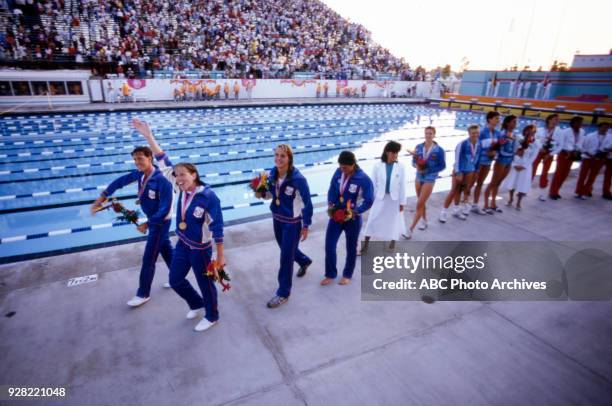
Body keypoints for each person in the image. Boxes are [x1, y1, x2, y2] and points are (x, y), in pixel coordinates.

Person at [134, 118, 226, 332]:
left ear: (194, 175)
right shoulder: (178, 187)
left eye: (183, 175)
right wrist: (148, 136)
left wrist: (219, 256)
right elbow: (162, 158)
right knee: (175, 280)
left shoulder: (208, 197)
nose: (179, 178)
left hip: (201, 249)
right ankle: (196, 303)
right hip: (183, 243)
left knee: (206, 283)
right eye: (177, 176)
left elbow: (218, 227)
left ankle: (212, 315)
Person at [90, 145, 173, 307]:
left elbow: (165, 208)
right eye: (135, 159)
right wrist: (101, 199)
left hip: (160, 222)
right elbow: (120, 182)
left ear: (150, 158)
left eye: (140, 158)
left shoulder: (162, 180)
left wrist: (147, 224)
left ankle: (143, 293)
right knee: (166, 249)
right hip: (153, 219)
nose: (137, 162)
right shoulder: (141, 175)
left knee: (149, 258)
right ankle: (178, 276)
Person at [257, 145, 313, 308]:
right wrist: (261, 192)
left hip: (292, 223)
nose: (278, 159)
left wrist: (306, 225)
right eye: (276, 155)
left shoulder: (298, 179)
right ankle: (304, 261)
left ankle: (283, 293)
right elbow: (270, 195)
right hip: (277, 219)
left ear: (289, 159)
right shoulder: (272, 174)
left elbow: (307, 203)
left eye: (282, 156)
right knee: (286, 250)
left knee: (285, 258)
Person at [322, 151, 374, 286]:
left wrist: (356, 212)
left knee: (351, 248)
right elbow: (332, 189)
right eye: (340, 166)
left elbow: (369, 200)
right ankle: (330, 273)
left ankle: (347, 274)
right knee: (329, 245)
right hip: (336, 215)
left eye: (345, 167)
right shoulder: (338, 172)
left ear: (353, 164)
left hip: (353, 219)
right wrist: (330, 203)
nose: (342, 170)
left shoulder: (363, 179)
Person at [361, 141, 406, 253]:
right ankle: (366, 245)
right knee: (372, 220)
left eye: (397, 153)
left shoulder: (400, 167)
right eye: (393, 152)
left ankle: (393, 242)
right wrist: (372, 199)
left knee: (394, 221)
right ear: (387, 152)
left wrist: (402, 202)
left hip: (394, 200)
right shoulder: (377, 166)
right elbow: (373, 183)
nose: (395, 155)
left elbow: (402, 186)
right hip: (380, 198)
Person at [404, 126, 446, 239]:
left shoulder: (439, 150)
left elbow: (442, 166)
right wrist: (417, 166)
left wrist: (428, 170)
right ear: (424, 134)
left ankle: (410, 230)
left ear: (434, 135)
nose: (428, 135)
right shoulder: (418, 147)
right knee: (420, 202)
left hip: (430, 178)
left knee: (420, 203)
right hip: (418, 177)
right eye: (426, 133)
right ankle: (424, 220)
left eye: (431, 133)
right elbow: (413, 161)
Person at [440, 125, 480, 222]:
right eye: (473, 133)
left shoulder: (479, 144)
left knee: (465, 190)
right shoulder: (462, 144)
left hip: (470, 170)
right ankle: (443, 212)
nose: (475, 134)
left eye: (477, 132)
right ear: (469, 133)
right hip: (460, 171)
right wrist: (458, 172)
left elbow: (477, 158)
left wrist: (476, 170)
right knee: (454, 191)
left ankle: (456, 210)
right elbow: (457, 159)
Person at [483, 115, 519, 214]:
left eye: (516, 122)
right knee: (493, 182)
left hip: (509, 160)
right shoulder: (502, 133)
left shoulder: (514, 134)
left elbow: (514, 149)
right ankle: (486, 205)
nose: (515, 124)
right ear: (507, 123)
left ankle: (493, 204)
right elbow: (500, 149)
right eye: (514, 122)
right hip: (501, 160)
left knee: (498, 183)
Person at [471, 111, 501, 215]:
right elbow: (476, 146)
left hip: (488, 162)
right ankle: (463, 204)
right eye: (496, 118)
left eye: (498, 118)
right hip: (479, 162)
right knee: (470, 184)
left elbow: (498, 146)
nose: (498, 120)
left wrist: (494, 153)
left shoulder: (497, 133)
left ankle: (475, 205)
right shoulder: (482, 132)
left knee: (480, 183)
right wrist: (487, 152)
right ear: (490, 119)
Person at [549, 116, 585, 200]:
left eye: (581, 122)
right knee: (559, 173)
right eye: (578, 122)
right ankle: (552, 192)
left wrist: (577, 150)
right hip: (564, 153)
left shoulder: (582, 132)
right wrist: (569, 151)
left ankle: (557, 191)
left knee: (565, 174)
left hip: (573, 154)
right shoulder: (565, 132)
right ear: (573, 123)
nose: (580, 124)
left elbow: (580, 142)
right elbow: (561, 143)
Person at [503, 125, 539, 210]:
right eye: (528, 130)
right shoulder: (518, 140)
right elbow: (513, 152)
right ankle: (510, 199)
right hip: (515, 165)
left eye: (531, 131)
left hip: (525, 167)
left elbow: (533, 157)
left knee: (522, 185)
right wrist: (514, 164)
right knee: (512, 183)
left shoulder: (535, 144)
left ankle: (519, 202)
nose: (529, 133)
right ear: (524, 131)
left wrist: (524, 166)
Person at [575, 122, 610, 199]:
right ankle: (578, 191)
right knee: (582, 176)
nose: (605, 129)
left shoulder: (610, 137)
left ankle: (585, 192)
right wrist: (587, 153)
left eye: (607, 128)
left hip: (598, 159)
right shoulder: (590, 136)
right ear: (599, 127)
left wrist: (606, 151)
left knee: (592, 177)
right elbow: (582, 146)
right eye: (604, 127)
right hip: (588, 157)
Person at [532, 114, 559, 201]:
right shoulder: (539, 130)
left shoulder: (559, 132)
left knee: (545, 173)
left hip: (549, 154)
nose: (557, 121)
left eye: (557, 120)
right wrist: (541, 148)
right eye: (555, 119)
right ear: (549, 120)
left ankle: (542, 193)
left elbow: (560, 145)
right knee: (532, 170)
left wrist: (551, 154)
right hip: (539, 152)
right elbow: (535, 139)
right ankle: (523, 189)